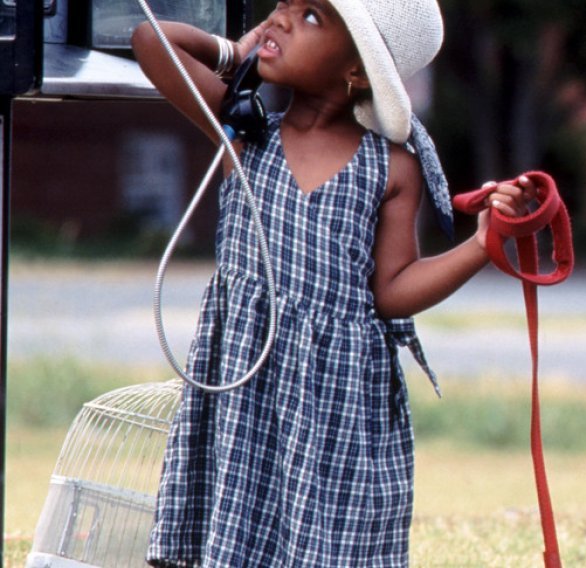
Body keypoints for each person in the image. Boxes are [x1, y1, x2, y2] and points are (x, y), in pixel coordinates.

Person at [132, 0, 533, 565]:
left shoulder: (392, 168)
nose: (282, 18)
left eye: (313, 16)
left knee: (328, 539)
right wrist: (238, 53)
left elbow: (392, 290)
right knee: (232, 525)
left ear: (358, 70)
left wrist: (482, 246)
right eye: (282, 6)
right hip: (244, 378)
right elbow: (151, 41)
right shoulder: (244, 130)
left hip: (340, 394)